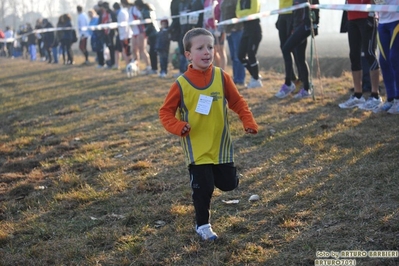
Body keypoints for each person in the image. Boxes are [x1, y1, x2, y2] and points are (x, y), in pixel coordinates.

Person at [159, 28, 258, 241]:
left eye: (210, 47)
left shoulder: (222, 77)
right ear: (188, 55)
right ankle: (203, 225)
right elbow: (165, 112)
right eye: (200, 48)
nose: (207, 52)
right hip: (197, 149)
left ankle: (219, 179)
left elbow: (237, 102)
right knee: (203, 190)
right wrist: (178, 126)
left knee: (228, 184)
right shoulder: (181, 84)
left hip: (221, 146)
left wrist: (248, 121)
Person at [338, 0, 381, 110]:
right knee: (354, 56)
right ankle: (358, 95)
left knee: (369, 54)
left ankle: (375, 96)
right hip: (351, 17)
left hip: (367, 16)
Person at [373, 0, 399, 114]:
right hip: (382, 21)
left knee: (395, 59)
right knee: (383, 61)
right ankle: (391, 98)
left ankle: (398, 99)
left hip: (396, 20)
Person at [274, 0, 302, 98]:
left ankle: (297, 81)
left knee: (293, 49)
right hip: (283, 13)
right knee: (284, 48)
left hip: (292, 13)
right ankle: (292, 81)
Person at [174, 0, 204, 78]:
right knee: (182, 52)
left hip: (192, 32)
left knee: (193, 52)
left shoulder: (195, 3)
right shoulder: (180, 4)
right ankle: (182, 70)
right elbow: (179, 18)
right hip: (182, 32)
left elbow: (198, 18)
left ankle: (197, 71)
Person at [236, 0, 262, 89]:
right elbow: (237, 14)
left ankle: (256, 80)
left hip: (255, 31)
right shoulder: (240, 1)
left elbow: (253, 12)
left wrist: (243, 14)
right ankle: (255, 75)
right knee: (240, 56)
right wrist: (245, 13)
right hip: (246, 31)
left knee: (251, 54)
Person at [220, 0, 246, 86]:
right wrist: (225, 30)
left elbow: (238, 14)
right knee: (233, 57)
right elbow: (223, 16)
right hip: (228, 32)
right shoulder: (224, 2)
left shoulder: (236, 1)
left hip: (237, 31)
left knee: (238, 56)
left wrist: (236, 27)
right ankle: (235, 78)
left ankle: (240, 79)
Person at [134, 0, 159, 75]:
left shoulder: (145, 11)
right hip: (153, 33)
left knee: (152, 52)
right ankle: (153, 68)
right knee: (152, 51)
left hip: (152, 33)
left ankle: (154, 69)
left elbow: (149, 24)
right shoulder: (147, 10)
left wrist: (146, 32)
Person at [204, 0, 227, 70]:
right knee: (213, 51)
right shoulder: (207, 2)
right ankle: (217, 69)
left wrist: (221, 30)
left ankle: (222, 72)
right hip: (209, 30)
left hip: (218, 29)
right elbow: (205, 17)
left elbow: (223, 16)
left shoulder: (221, 1)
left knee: (221, 50)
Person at [128, 1, 150, 72]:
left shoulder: (135, 8)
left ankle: (148, 66)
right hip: (133, 32)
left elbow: (140, 18)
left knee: (142, 49)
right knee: (134, 50)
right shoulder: (129, 9)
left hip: (140, 31)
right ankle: (136, 66)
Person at [99, 2, 117, 68]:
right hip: (105, 33)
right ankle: (109, 62)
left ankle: (113, 62)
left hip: (111, 33)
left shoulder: (111, 13)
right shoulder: (102, 13)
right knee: (108, 49)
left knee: (112, 48)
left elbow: (115, 22)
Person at [118, 0, 133, 68]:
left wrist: (125, 36)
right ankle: (128, 65)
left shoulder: (122, 12)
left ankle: (128, 65)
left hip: (125, 35)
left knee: (126, 51)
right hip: (125, 34)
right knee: (126, 51)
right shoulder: (125, 11)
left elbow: (125, 25)